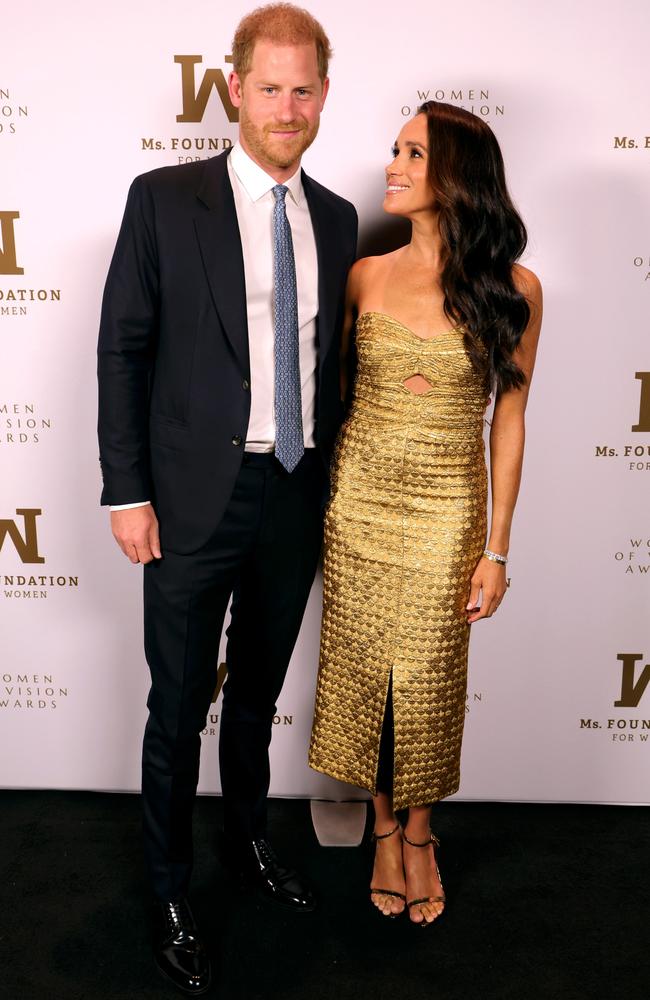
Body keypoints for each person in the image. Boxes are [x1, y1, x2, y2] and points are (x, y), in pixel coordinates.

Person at [97, 4, 357, 993]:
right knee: (177, 709)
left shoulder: (333, 217)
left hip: (293, 491)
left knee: (254, 696)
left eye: (303, 90)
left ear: (321, 96)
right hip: (189, 499)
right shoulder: (163, 200)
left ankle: (246, 846)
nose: (285, 108)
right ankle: (169, 889)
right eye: (268, 87)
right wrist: (128, 491)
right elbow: (123, 347)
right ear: (234, 89)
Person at [309, 100, 542, 927]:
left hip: (448, 508)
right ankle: (380, 826)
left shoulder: (514, 289)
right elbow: (330, 397)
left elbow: (507, 419)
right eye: (395, 149)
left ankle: (421, 832)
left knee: (431, 682)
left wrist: (498, 548)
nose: (393, 166)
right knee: (367, 673)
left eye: (413, 153)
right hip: (360, 502)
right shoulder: (365, 273)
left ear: (455, 176)